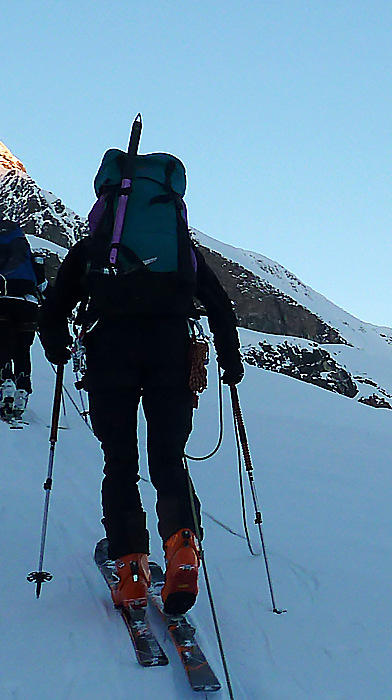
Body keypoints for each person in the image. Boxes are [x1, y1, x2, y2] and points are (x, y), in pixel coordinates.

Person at [39, 145, 242, 615]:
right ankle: (183, 548)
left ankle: (131, 570)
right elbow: (219, 305)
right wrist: (230, 362)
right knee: (168, 458)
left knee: (120, 462)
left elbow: (54, 309)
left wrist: (57, 348)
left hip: (110, 352)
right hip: (172, 351)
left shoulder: (93, 247)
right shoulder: (180, 250)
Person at [0, 221, 44, 418]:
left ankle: (6, 387)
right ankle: (22, 391)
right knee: (22, 350)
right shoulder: (27, 256)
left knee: (2, 347)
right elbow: (42, 285)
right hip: (28, 305)